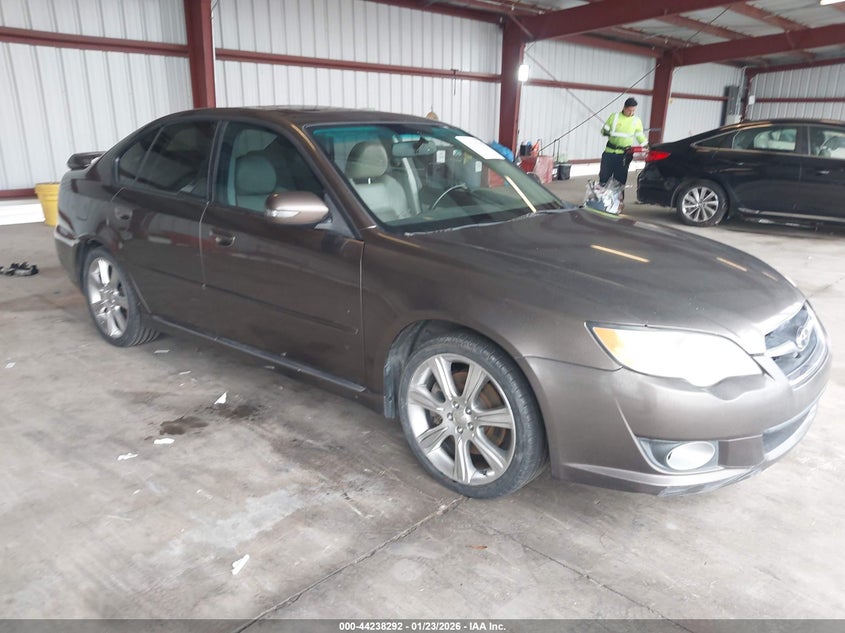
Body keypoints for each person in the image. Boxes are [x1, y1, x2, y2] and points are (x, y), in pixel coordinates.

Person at [599, 97, 647, 186]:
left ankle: (618, 199)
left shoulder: (636, 121)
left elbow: (640, 137)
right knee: (604, 178)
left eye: (633, 111)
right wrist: (606, 132)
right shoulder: (614, 117)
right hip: (609, 153)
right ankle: (602, 198)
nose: (631, 113)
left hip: (624, 155)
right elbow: (604, 130)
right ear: (624, 108)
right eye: (629, 110)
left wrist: (647, 146)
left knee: (620, 180)